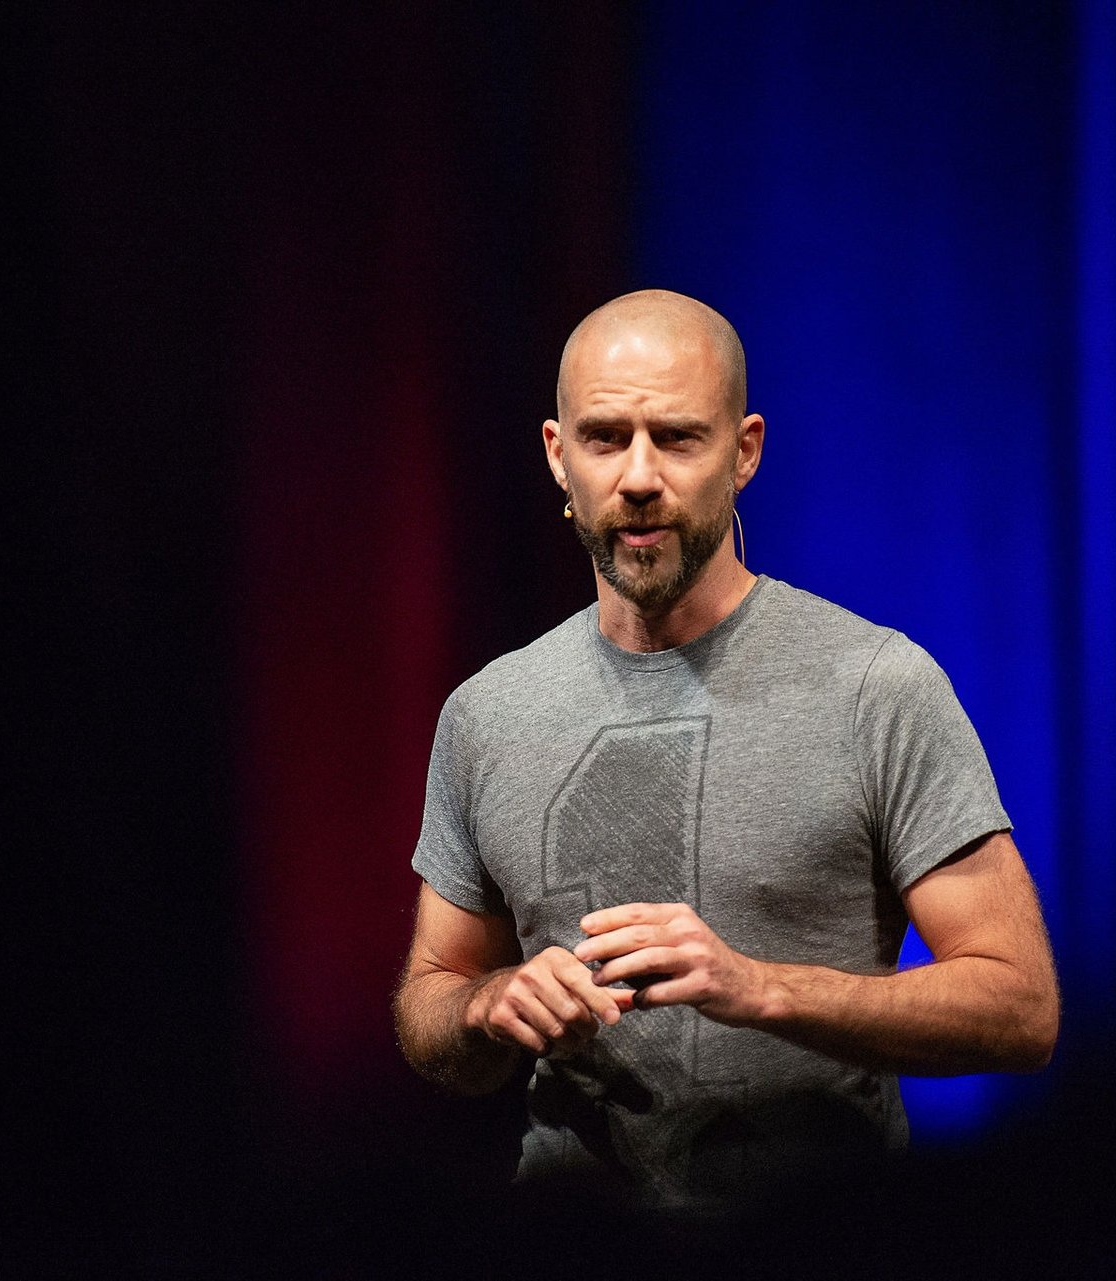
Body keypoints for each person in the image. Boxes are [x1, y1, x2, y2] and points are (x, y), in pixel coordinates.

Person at [392, 289, 1058, 1206]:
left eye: (675, 437)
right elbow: (433, 1000)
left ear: (744, 451)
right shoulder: (487, 713)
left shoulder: (874, 685)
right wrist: (488, 1004)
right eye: (603, 438)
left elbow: (1019, 1007)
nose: (637, 475)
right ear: (557, 455)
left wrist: (760, 987)